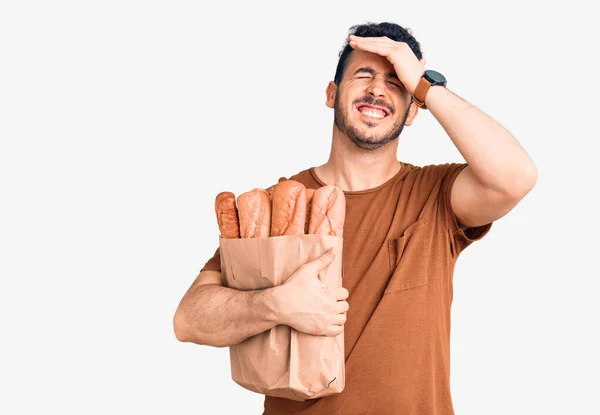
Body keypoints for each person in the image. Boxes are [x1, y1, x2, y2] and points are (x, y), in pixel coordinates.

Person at [174, 22, 538, 414]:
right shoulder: (277, 205)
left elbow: (515, 176)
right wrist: (276, 304)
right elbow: (190, 318)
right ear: (331, 94)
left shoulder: (437, 196)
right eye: (363, 75)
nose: (379, 89)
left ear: (413, 111)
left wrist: (425, 85)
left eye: (396, 82)